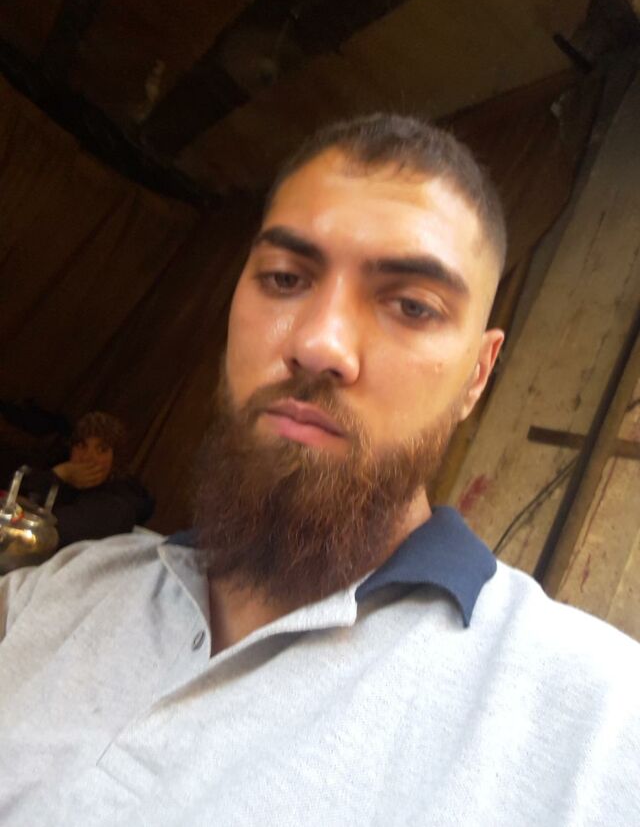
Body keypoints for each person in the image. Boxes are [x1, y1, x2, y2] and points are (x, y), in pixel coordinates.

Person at [0, 115, 638, 825]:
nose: (320, 343)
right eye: (284, 277)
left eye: (412, 305)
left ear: (477, 375)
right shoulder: (58, 593)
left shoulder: (600, 727)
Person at [19, 411, 154, 547]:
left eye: (101, 450)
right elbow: (16, 501)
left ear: (114, 460)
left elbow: (54, 532)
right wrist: (56, 475)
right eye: (81, 446)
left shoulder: (119, 503)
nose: (88, 457)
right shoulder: (58, 477)